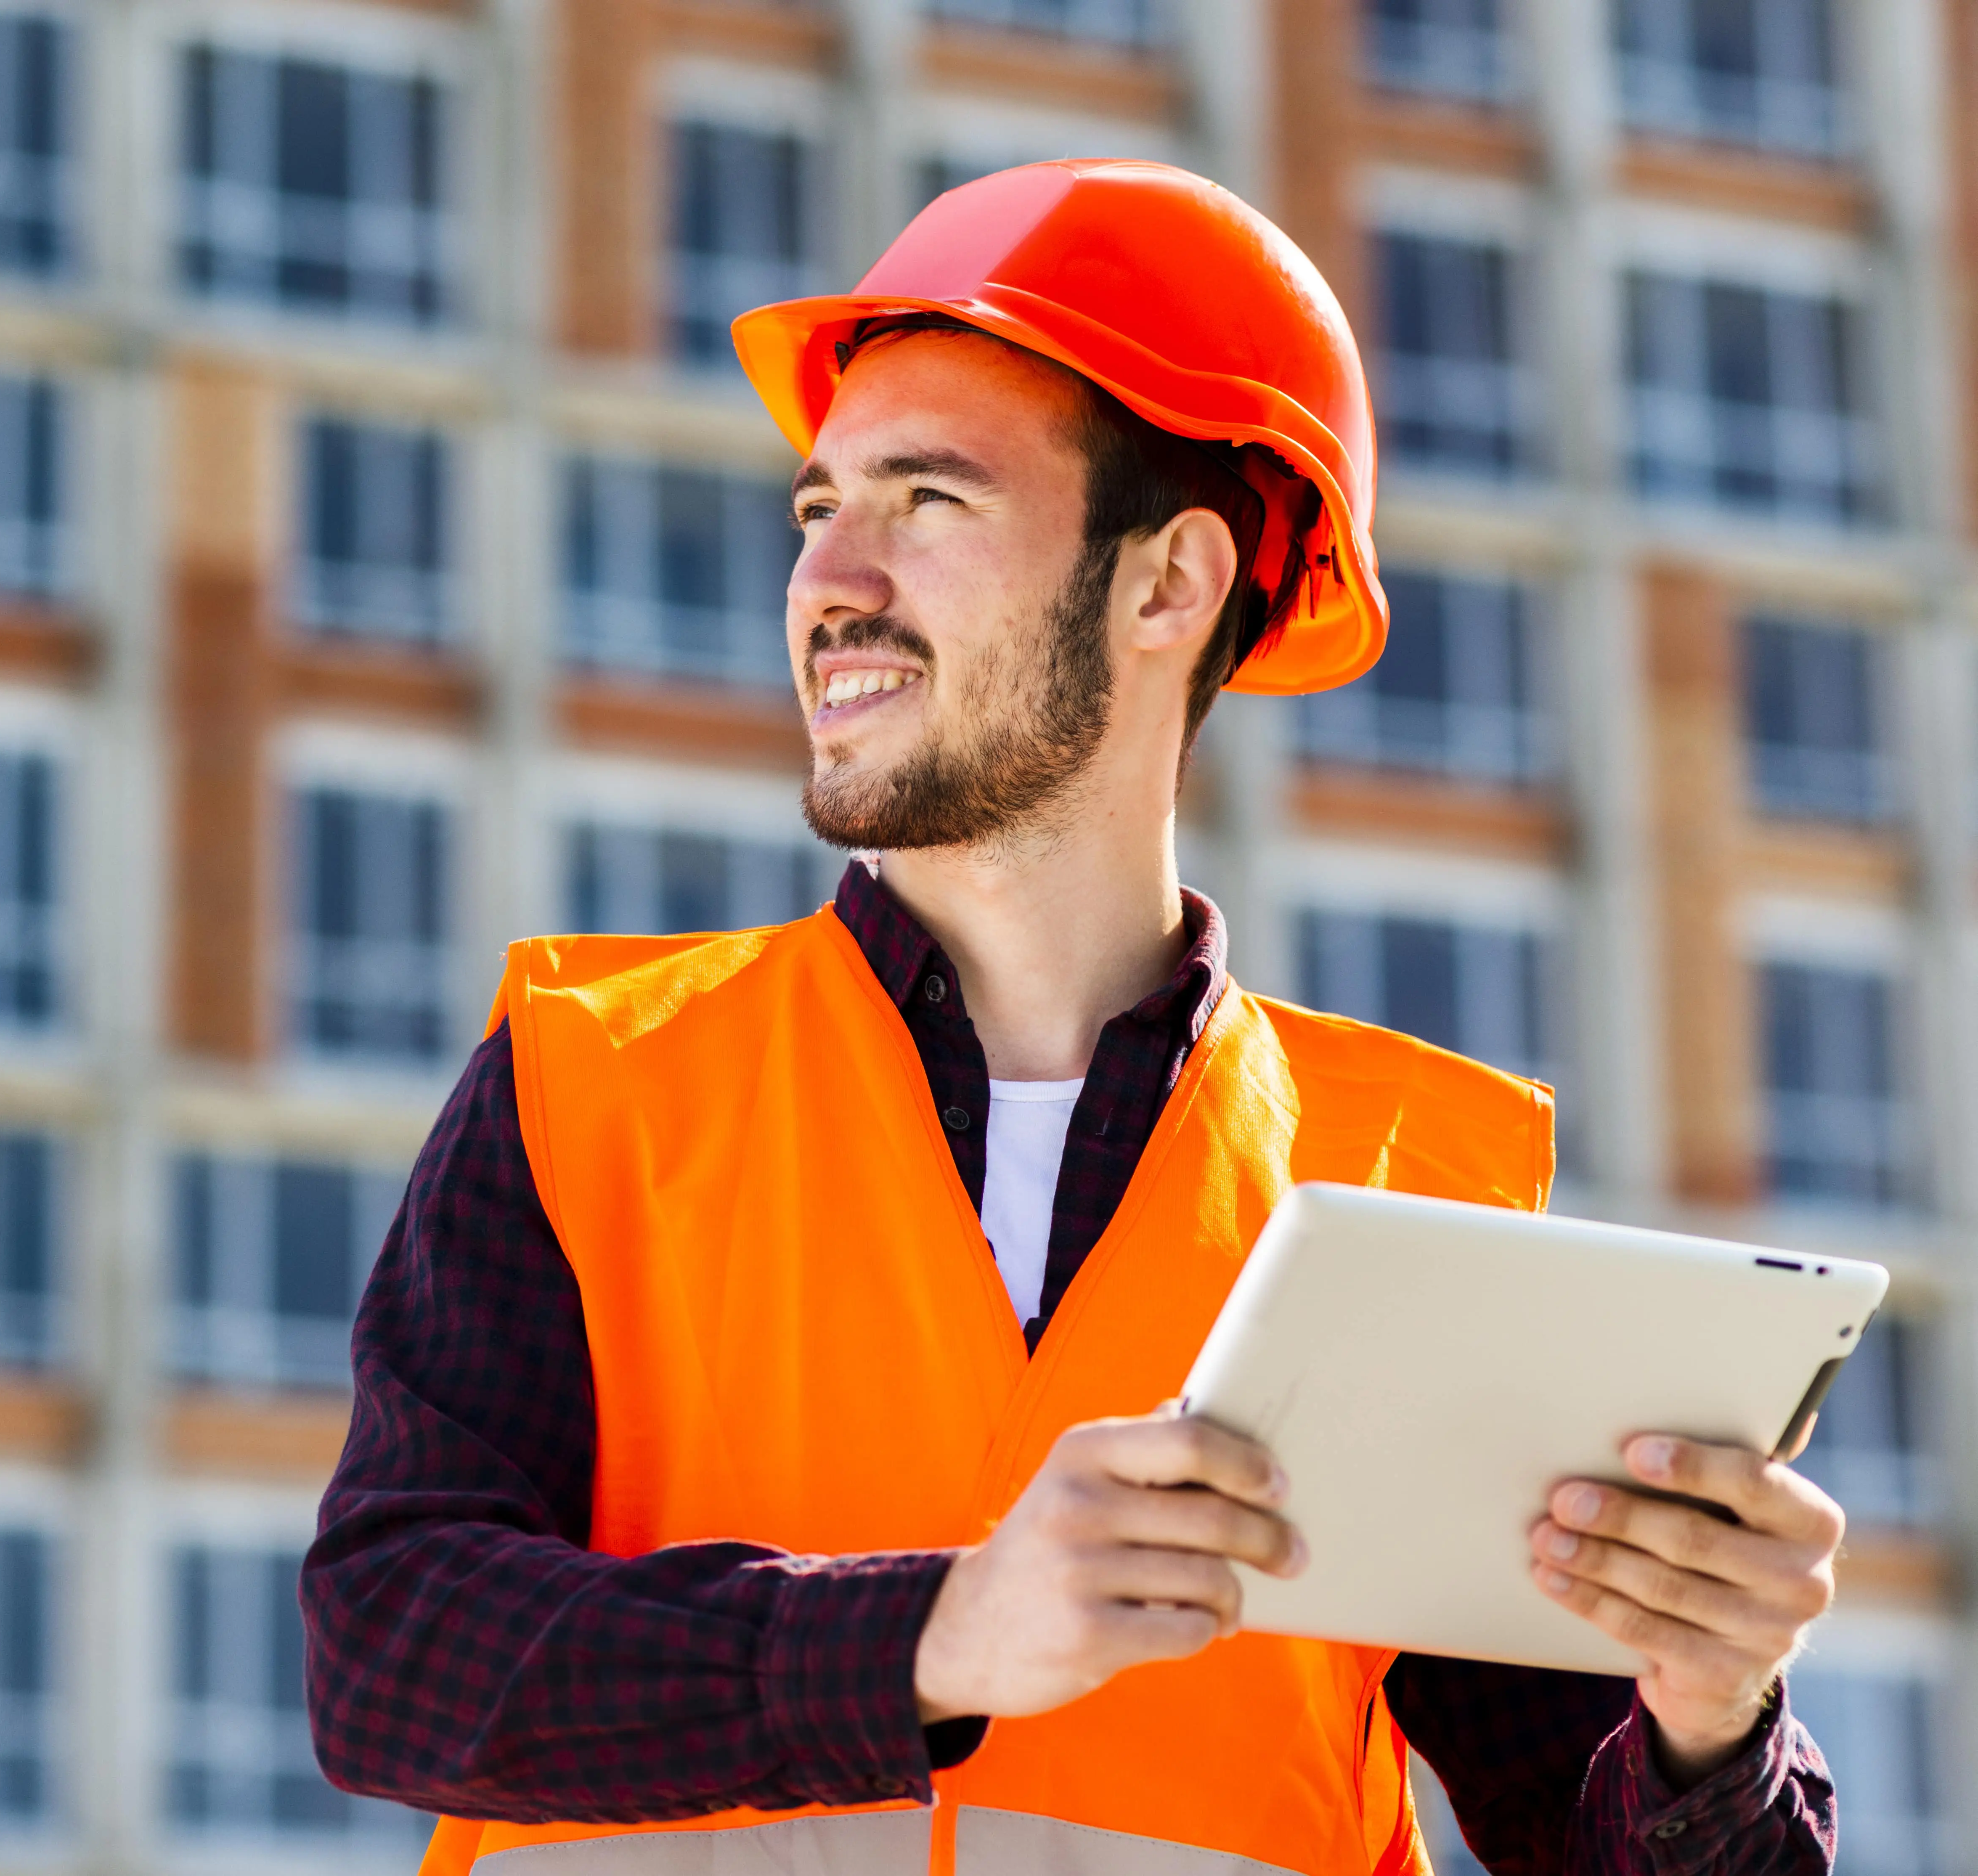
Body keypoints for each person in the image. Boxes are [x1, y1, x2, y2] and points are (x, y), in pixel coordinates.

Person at [303, 162, 1840, 1876]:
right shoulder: (594, 1080)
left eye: (925, 499)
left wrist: (1712, 1713)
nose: (829, 575)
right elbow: (386, 1651)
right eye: (815, 505)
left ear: (1167, 581)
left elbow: (1601, 1836)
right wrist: (928, 1637)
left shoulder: (1415, 1185)